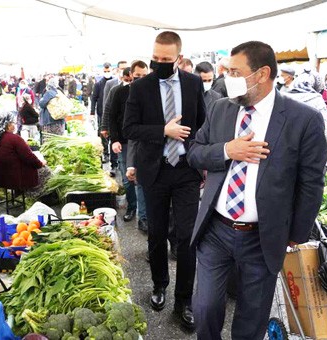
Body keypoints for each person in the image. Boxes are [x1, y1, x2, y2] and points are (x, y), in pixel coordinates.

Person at [188, 40, 327, 339]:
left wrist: (296, 233)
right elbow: (194, 153)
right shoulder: (221, 109)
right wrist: (228, 150)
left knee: (252, 318)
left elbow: (311, 182)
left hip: (262, 237)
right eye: (226, 71)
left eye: (235, 72)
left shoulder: (303, 119)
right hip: (216, 229)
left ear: (262, 74)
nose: (227, 78)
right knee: (205, 308)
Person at [123, 31, 206, 330]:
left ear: (179, 58)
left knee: (187, 237)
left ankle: (184, 300)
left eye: (165, 60)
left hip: (185, 170)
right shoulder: (141, 86)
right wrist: (163, 131)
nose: (159, 63)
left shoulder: (194, 83)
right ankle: (160, 285)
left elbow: (203, 125)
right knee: (157, 234)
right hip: (154, 171)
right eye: (155, 58)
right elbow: (130, 127)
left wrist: (203, 158)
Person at [0, 112, 50, 198]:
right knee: (46, 171)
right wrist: (41, 163)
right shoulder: (14, 138)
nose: (15, 125)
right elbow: (29, 157)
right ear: (7, 125)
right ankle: (33, 195)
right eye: (13, 123)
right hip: (12, 177)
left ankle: (18, 193)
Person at [109, 64, 138, 222]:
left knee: (142, 180)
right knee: (127, 179)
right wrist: (114, 140)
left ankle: (144, 216)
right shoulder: (119, 92)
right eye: (136, 76)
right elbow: (112, 116)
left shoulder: (149, 92)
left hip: (141, 142)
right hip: (124, 142)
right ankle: (132, 206)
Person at [284, 72, 327, 140]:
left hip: (285, 144)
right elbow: (325, 130)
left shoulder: (283, 97)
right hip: (310, 143)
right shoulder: (317, 100)